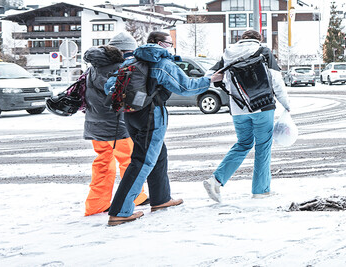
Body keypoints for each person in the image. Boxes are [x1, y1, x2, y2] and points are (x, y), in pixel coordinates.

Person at [104, 31, 219, 226]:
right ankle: (120, 211)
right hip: (152, 116)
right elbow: (186, 87)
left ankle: (161, 199)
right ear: (159, 43)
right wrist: (210, 80)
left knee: (158, 154)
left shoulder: (130, 61)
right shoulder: (162, 63)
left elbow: (109, 87)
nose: (171, 46)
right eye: (169, 42)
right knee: (142, 161)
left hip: (130, 114)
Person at [202, 30, 291, 202]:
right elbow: (276, 81)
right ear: (259, 39)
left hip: (238, 109)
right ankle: (260, 190)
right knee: (263, 147)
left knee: (243, 144)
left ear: (241, 39)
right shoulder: (264, 52)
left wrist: (225, 81)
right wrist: (286, 104)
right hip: (263, 106)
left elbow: (209, 76)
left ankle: (216, 180)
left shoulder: (228, 54)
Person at [81, 40, 148, 216]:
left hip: (94, 125)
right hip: (116, 126)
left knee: (102, 163)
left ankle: (96, 204)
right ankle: (134, 198)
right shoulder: (119, 69)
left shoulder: (91, 69)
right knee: (129, 162)